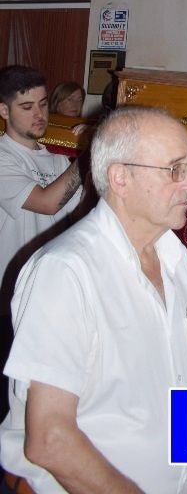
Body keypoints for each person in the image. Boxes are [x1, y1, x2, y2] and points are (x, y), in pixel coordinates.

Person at [0, 105, 187, 494]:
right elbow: (50, 438)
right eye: (175, 169)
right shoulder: (66, 272)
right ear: (120, 178)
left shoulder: (173, 256)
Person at [0, 65, 84, 421]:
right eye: (27, 106)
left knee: (42, 403)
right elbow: (49, 201)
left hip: (53, 296)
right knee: (7, 405)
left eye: (44, 104)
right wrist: (89, 154)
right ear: (4, 111)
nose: (39, 115)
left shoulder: (57, 155)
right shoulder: (3, 158)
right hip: (10, 299)